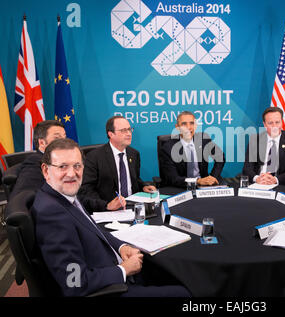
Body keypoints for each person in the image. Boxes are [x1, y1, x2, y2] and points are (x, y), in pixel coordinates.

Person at [31, 138, 191, 296]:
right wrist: (123, 269)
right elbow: (75, 282)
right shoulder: (52, 214)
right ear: (46, 171)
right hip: (111, 289)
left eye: (77, 166)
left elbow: (93, 229)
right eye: (62, 167)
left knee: (181, 274)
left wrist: (122, 247)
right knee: (185, 292)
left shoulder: (64, 195)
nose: (72, 174)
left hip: (113, 267)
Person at [79, 116, 155, 207]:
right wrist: (106, 205)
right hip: (108, 209)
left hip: (132, 205)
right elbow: (87, 189)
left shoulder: (134, 154)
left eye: (129, 129)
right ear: (111, 134)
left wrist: (143, 186)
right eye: (123, 130)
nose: (129, 134)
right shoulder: (94, 157)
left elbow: (134, 179)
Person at [160, 111, 225, 188]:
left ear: (196, 126)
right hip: (180, 188)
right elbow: (173, 178)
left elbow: (220, 157)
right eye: (184, 124)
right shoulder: (168, 148)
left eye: (192, 123)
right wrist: (197, 181)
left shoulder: (203, 139)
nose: (189, 127)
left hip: (203, 187)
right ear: (177, 127)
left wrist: (213, 177)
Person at [242, 107, 285, 186]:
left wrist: (275, 180)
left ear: (282, 122)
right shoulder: (255, 140)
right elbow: (247, 167)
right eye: (270, 123)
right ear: (264, 124)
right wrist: (257, 178)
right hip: (258, 184)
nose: (274, 126)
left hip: (280, 185)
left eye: (277, 122)